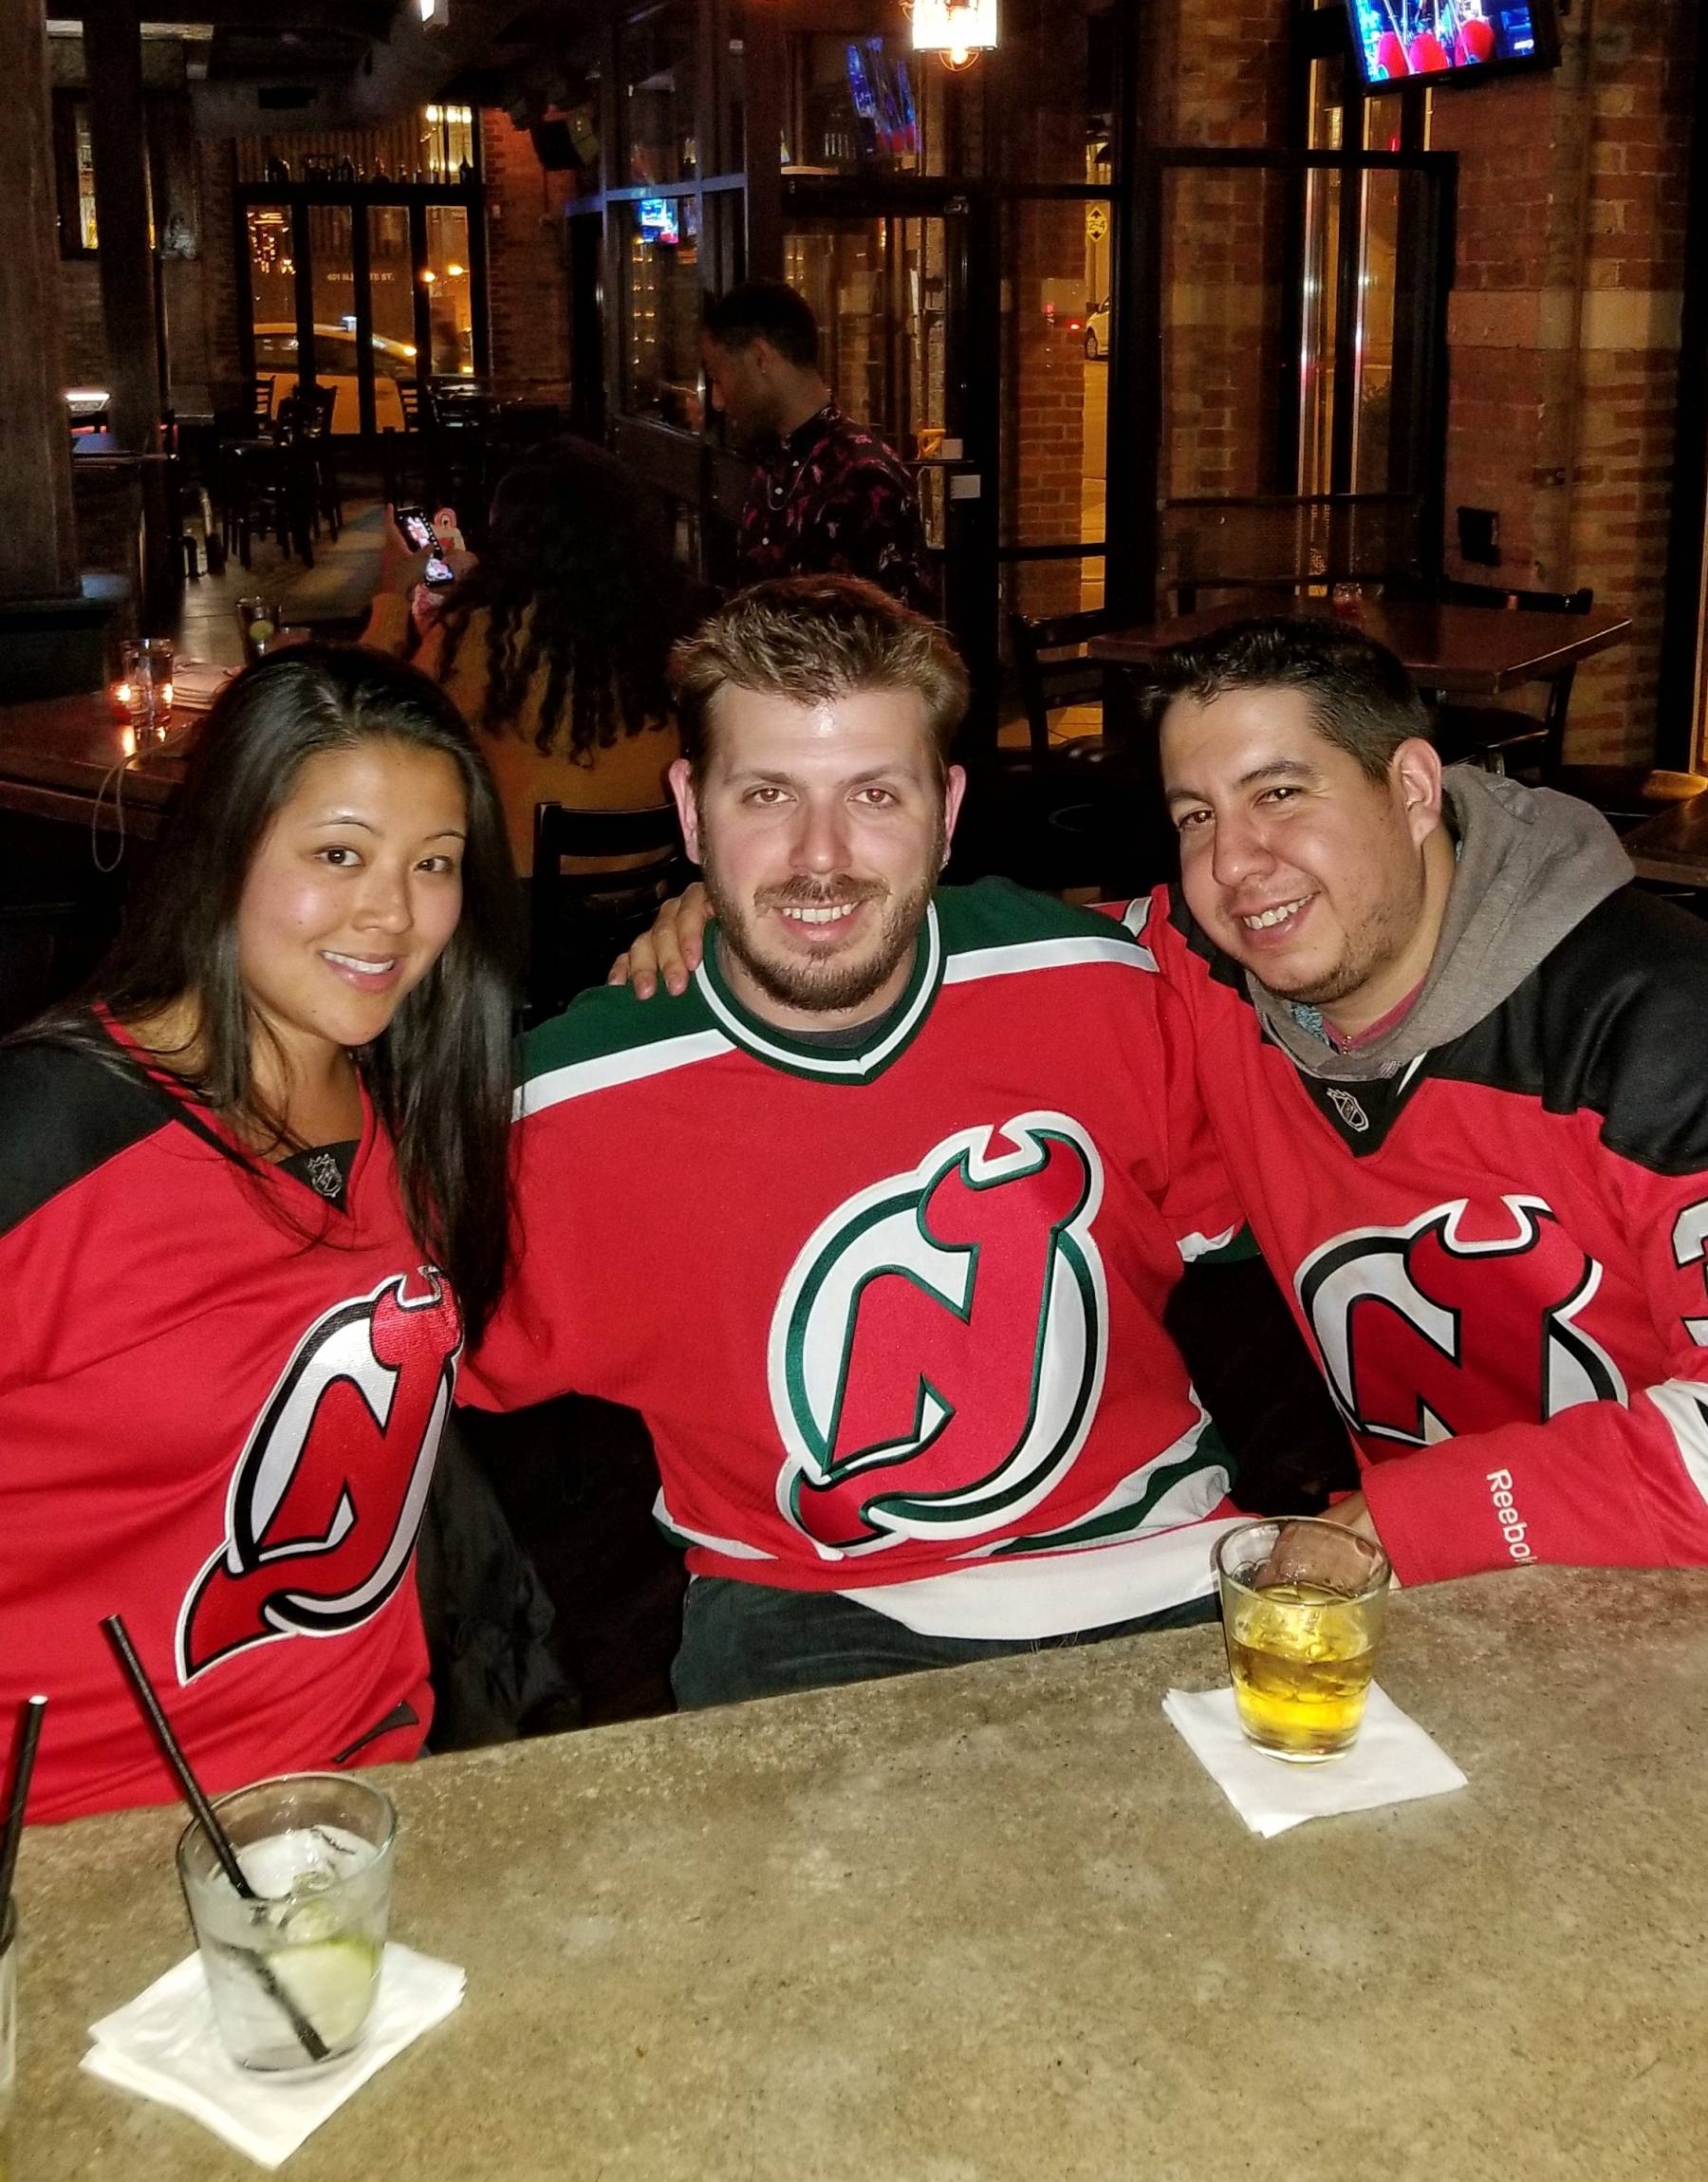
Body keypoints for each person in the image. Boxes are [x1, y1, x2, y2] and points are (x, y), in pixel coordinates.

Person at [617, 613, 1708, 1588]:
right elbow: (945, 953)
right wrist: (757, 917)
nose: (1236, 863)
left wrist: (1399, 1523)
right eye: (1196, 816)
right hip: (1441, 1594)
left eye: (1281, 793)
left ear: (1414, 789)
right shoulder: (1199, 979)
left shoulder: (1661, 1017)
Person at [463, 576, 1244, 1707]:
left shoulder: (1105, 980)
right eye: (766, 794)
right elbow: (349, 1335)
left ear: (948, 809)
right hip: (806, 1611)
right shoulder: (566, 1102)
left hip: (1164, 1559)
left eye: (875, 793)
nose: (819, 855)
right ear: (690, 810)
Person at [0, 647, 520, 1821]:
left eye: (434, 863)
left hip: (374, 1788)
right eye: (338, 854)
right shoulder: (47, 1137)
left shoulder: (423, 1109)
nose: (393, 914)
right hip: (94, 1828)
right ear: (226, 847)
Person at [362, 442, 694, 878]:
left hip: (518, 902)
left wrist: (392, 594)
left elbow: (369, 719)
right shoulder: (660, 627)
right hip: (647, 894)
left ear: (513, 538)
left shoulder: (485, 634)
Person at [702, 280, 931, 609]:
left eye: (717, 377)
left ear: (760, 358)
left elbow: (894, 634)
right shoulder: (772, 463)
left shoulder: (864, 479)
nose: (717, 400)